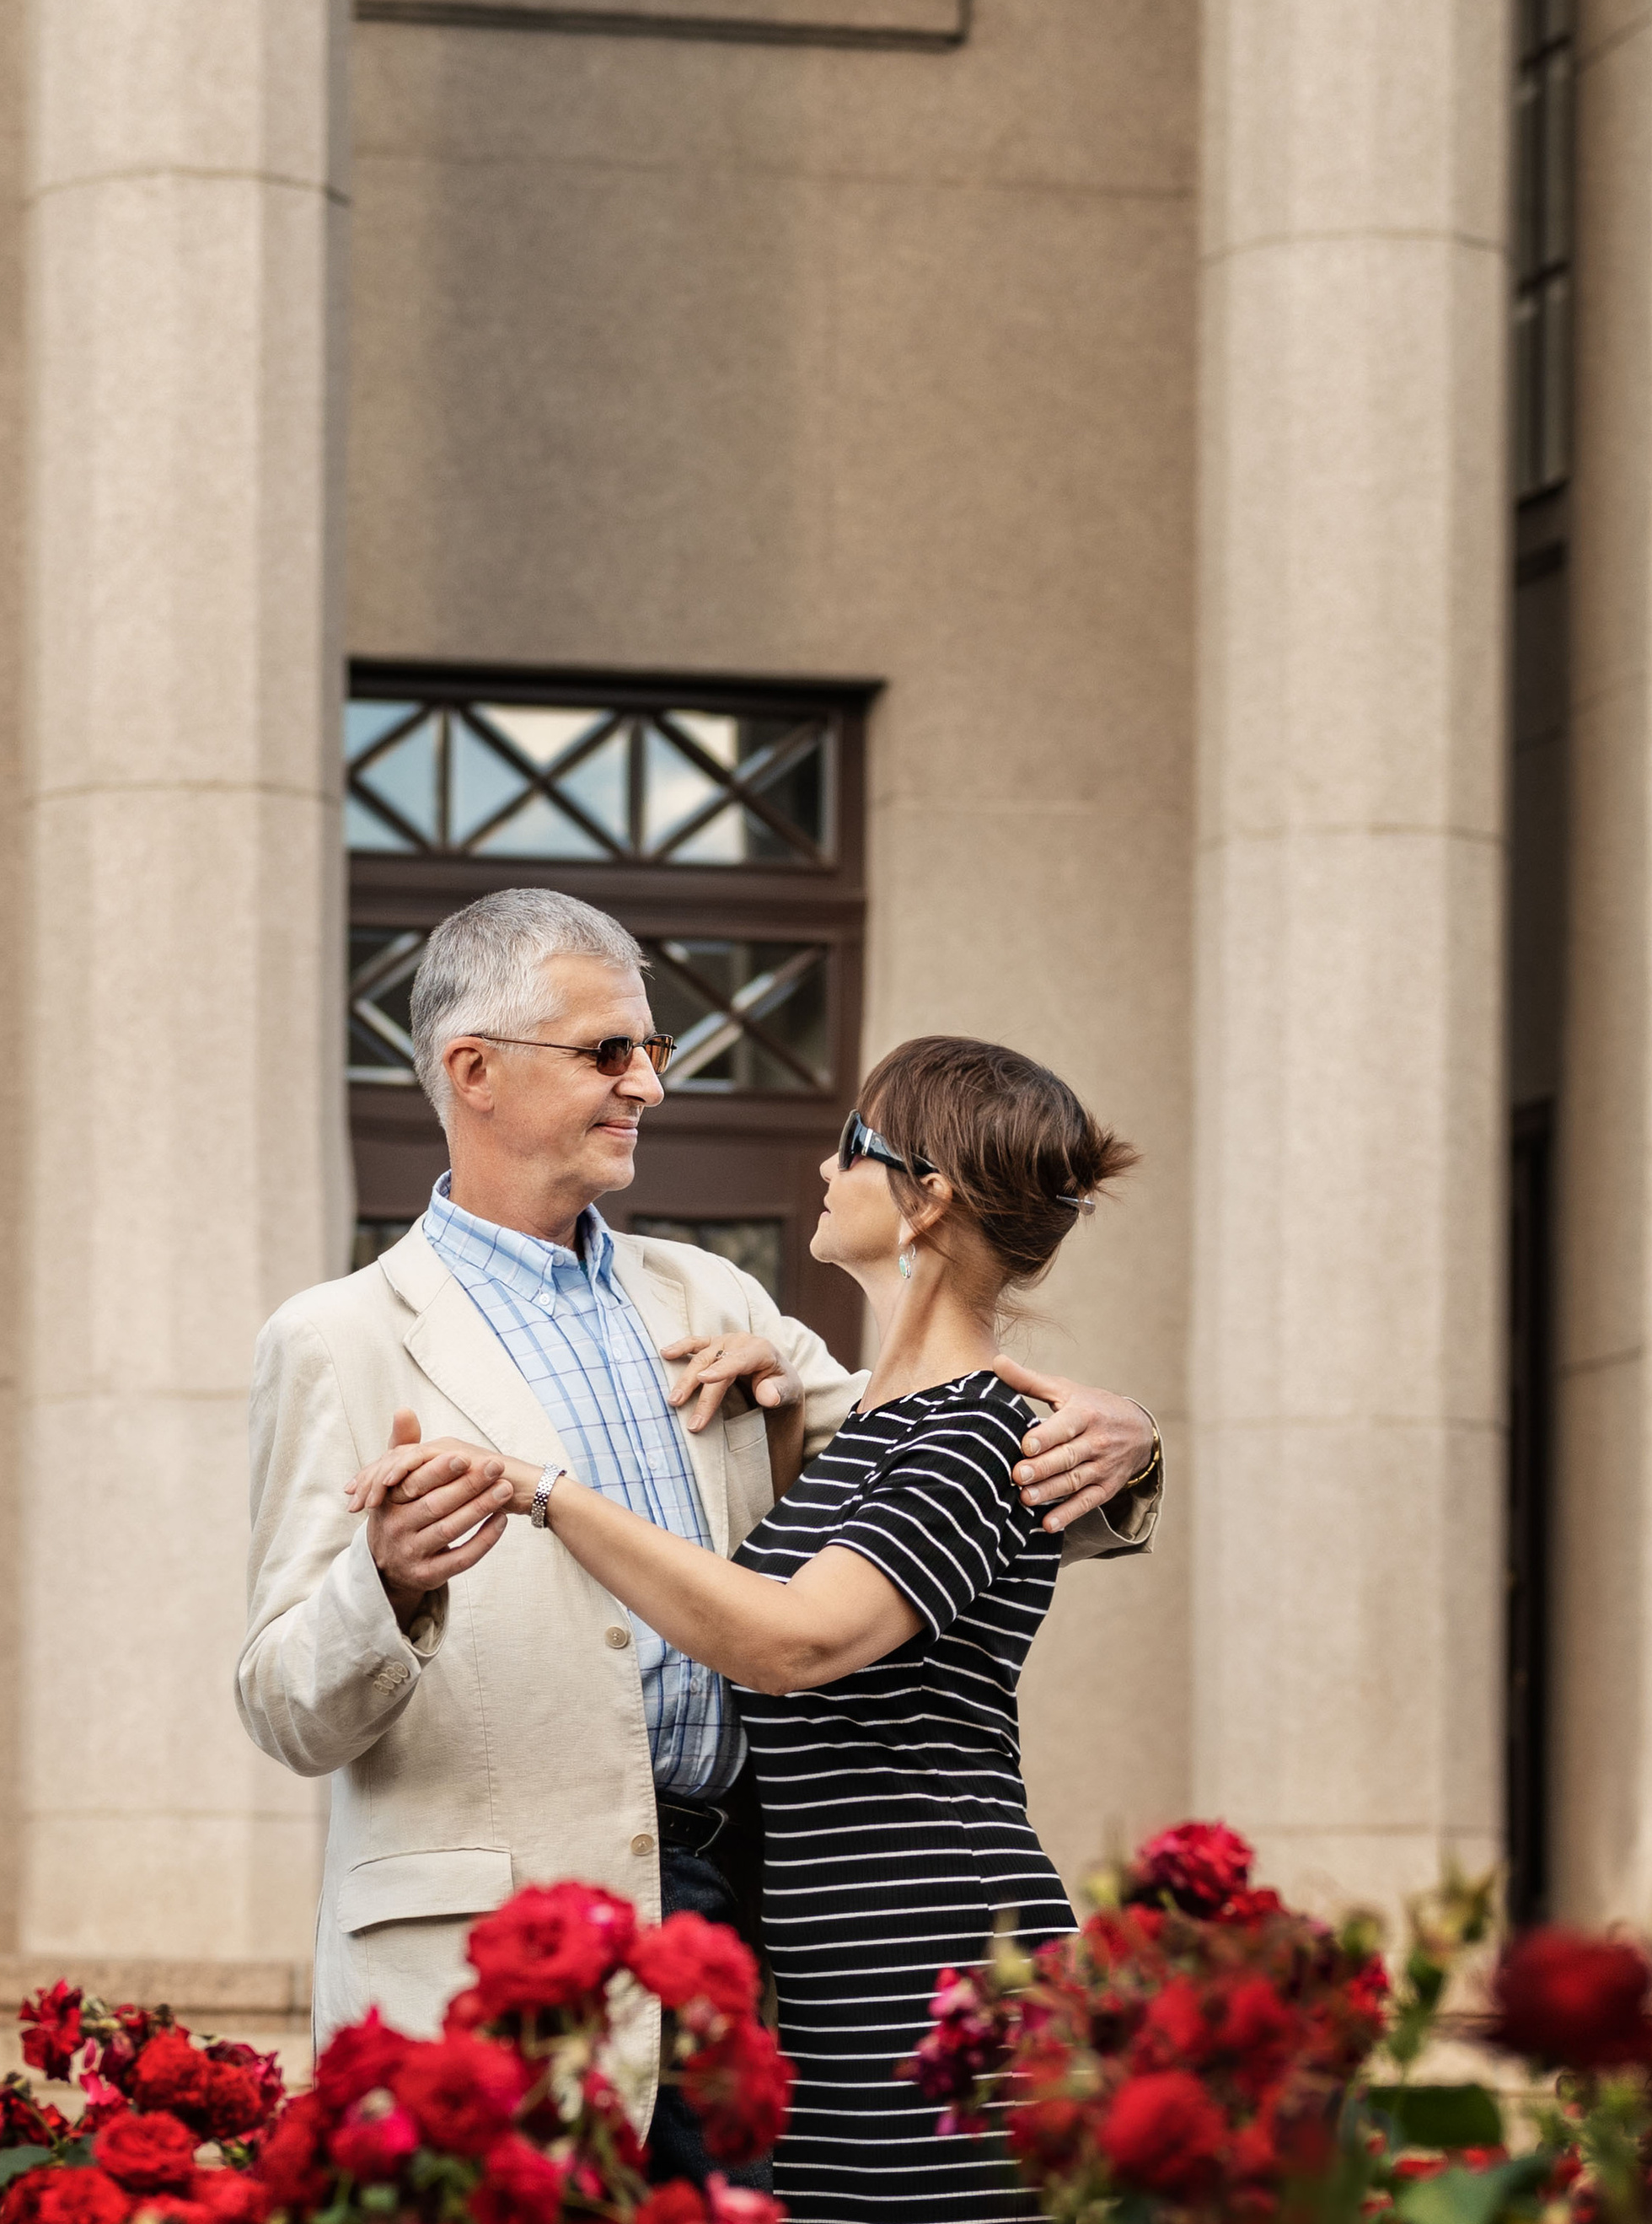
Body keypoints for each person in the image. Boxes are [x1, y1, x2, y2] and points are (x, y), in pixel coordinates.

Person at [237, 889, 1161, 2132]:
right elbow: (285, 1704)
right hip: (485, 1964)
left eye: (653, 1052)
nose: (647, 1087)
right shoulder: (333, 1340)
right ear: (476, 1071)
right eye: (609, 1053)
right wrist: (388, 1582)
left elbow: (917, 1447)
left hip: (744, 1924)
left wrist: (1129, 1445)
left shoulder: (710, 1300)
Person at [464, 1033, 1132, 2224]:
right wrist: (765, 1420)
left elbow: (791, 1642)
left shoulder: (975, 1433)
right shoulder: (878, 1418)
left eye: (854, 1144)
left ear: (928, 1197)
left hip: (938, 1973)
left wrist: (547, 1494)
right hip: (838, 1982)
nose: (824, 1168)